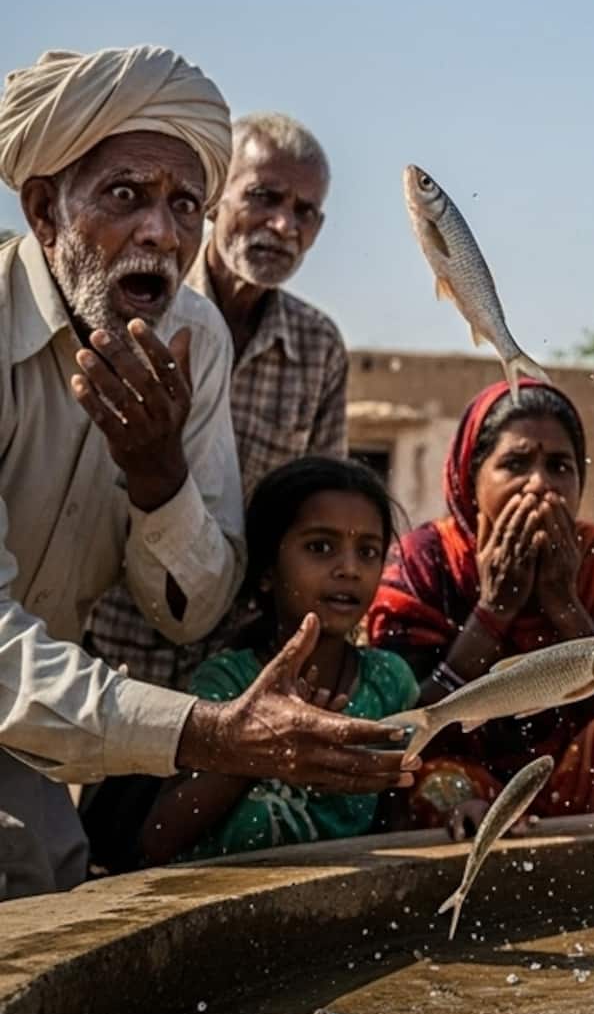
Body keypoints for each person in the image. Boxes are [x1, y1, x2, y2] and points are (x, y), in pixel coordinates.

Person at [0, 45, 408, 898]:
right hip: (76, 690)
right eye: (126, 196)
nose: (161, 231)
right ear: (43, 209)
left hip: (78, 707)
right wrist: (214, 732)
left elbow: (195, 607)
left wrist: (159, 479)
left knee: (53, 894)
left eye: (184, 204)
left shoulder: (197, 339)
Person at [85, 112, 349, 691]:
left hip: (237, 661)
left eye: (305, 211)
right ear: (211, 202)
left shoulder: (319, 346)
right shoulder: (140, 306)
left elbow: (321, 508)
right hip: (106, 643)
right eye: (264, 197)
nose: (283, 224)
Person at [366, 379, 594, 834]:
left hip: (574, 781)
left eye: (559, 466)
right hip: (466, 784)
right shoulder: (427, 560)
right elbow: (403, 718)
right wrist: (494, 609)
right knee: (428, 779)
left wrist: (564, 602)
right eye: (515, 464)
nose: (539, 486)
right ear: (471, 478)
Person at [136, 458, 414, 863]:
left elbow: (395, 823)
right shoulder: (229, 682)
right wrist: (256, 746)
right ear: (267, 571)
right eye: (321, 547)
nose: (350, 569)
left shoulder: (388, 683)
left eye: (368, 551)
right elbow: (158, 840)